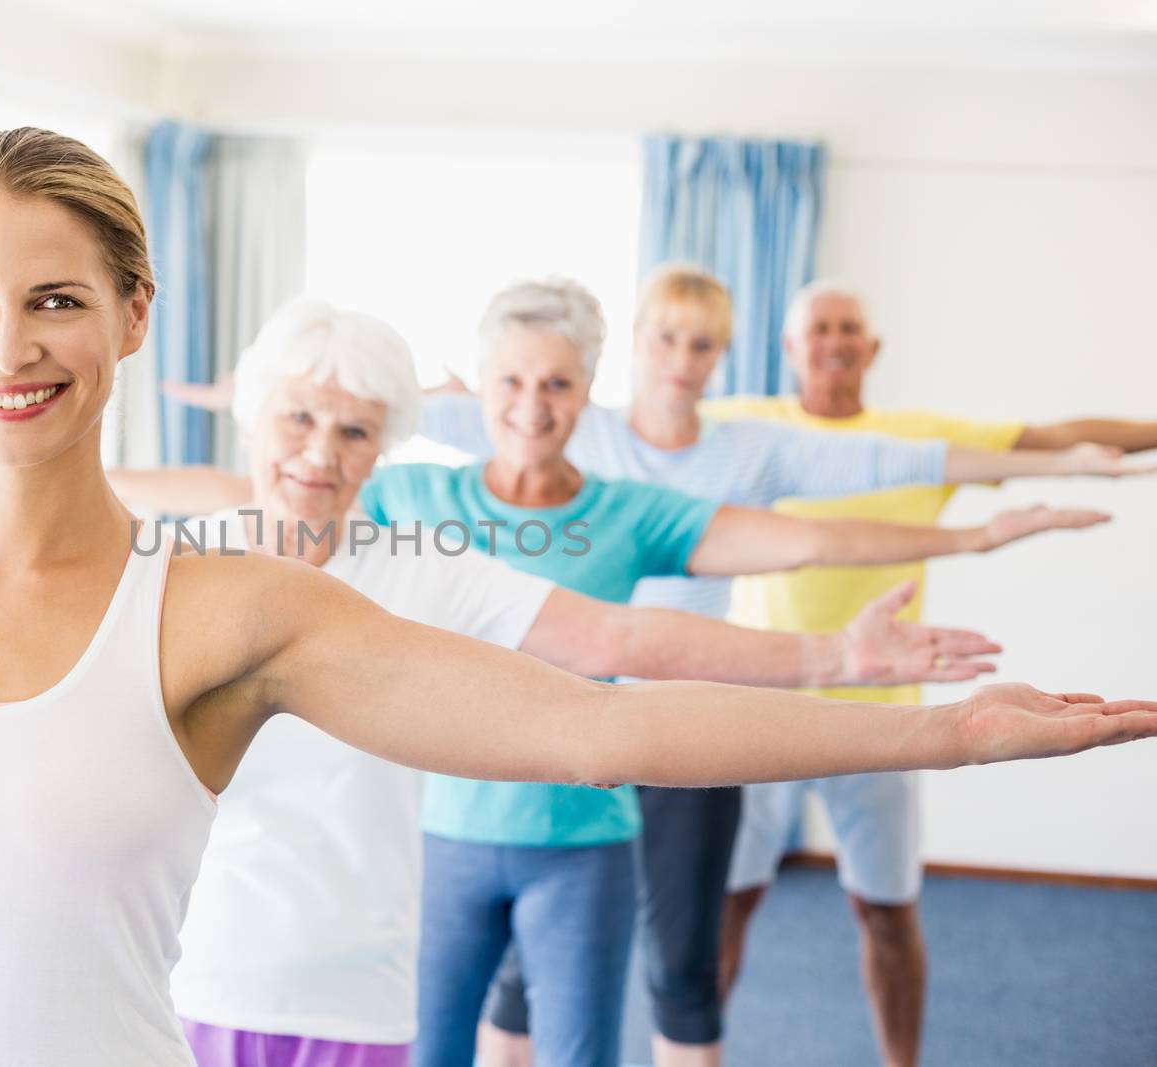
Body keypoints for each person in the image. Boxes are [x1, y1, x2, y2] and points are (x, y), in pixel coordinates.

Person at [0, 129, 1154, 1067]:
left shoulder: (224, 610)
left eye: (55, 298)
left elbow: (591, 719)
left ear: (130, 316)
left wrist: (937, 734)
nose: (6, 346)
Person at [117, 283, 1115, 1067]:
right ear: (254, 415)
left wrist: (843, 660)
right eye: (296, 419)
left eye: (352, 432)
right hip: (185, 990)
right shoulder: (191, 565)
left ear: (384, 445)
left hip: (380, 980)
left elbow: (625, 643)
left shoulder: (426, 556)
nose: (321, 455)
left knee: (632, 999)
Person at [403, 269, 1154, 1067]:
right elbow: (381, 414)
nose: (681, 360)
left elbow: (864, 497)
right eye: (665, 337)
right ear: (632, 348)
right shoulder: (547, 439)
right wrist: (263, 390)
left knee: (690, 961)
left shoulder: (719, 459)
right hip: (548, 749)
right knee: (521, 983)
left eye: (702, 342)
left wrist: (985, 531)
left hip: (714, 712)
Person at [704, 280, 1157, 1067]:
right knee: (726, 907)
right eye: (819, 329)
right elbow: (625, 429)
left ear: (872, 348)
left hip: (887, 723)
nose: (835, 341)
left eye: (850, 327)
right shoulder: (745, 427)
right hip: (757, 715)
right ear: (789, 347)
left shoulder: (917, 439)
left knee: (885, 913)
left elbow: (1052, 435)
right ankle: (691, 1051)